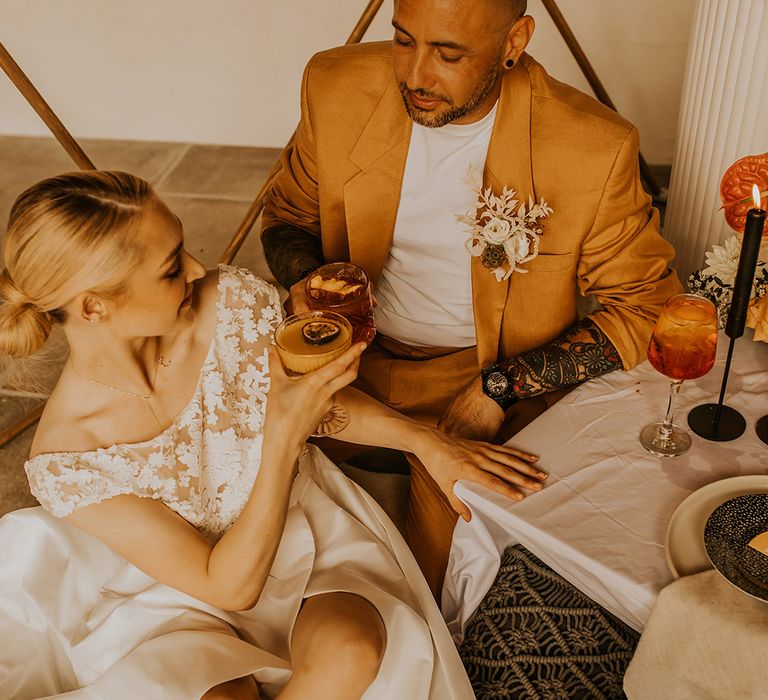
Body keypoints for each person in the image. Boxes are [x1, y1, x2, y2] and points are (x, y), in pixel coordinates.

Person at [0, 171, 548, 699]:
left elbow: (320, 406)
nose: (197, 268)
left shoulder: (227, 303)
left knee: (351, 649)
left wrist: (430, 443)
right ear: (94, 307)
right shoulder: (68, 456)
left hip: (301, 534)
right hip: (173, 592)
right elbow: (227, 588)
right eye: (171, 269)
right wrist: (284, 435)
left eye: (184, 247)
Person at [260, 0, 683, 594]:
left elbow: (645, 308)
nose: (414, 75)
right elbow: (288, 215)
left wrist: (500, 388)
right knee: (249, 512)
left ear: (516, 40)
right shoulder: (335, 85)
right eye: (403, 41)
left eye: (448, 54)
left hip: (478, 373)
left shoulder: (593, 146)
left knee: (437, 577)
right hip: (345, 353)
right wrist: (310, 282)